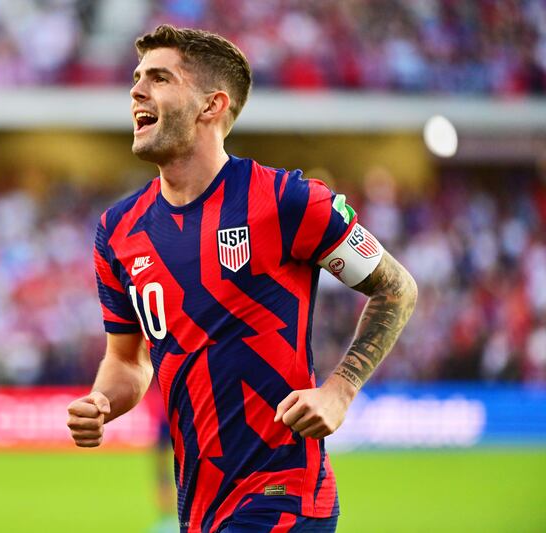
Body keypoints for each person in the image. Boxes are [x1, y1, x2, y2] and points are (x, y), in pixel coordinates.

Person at [66, 25, 417, 533]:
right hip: (200, 506)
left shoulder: (288, 201)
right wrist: (102, 401)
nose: (136, 90)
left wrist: (339, 391)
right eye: (137, 77)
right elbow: (127, 360)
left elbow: (396, 287)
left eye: (159, 78)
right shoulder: (118, 231)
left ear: (212, 106)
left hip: (285, 495)